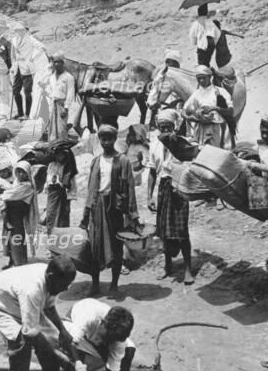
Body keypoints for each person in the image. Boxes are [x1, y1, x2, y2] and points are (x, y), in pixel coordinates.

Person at [0, 255, 77, 371]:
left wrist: (62, 331)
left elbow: (49, 308)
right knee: (21, 342)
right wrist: (60, 357)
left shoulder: (52, 281)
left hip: (18, 303)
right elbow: (30, 333)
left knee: (53, 340)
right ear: (50, 276)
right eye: (64, 285)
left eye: (68, 285)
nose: (65, 289)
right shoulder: (32, 289)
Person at [80, 123, 142, 296]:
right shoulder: (96, 161)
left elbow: (129, 188)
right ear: (99, 140)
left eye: (109, 138)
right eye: (102, 138)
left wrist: (133, 215)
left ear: (115, 139)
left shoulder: (122, 161)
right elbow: (91, 188)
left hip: (114, 207)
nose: (105, 142)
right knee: (95, 246)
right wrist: (86, 214)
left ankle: (114, 284)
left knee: (116, 246)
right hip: (97, 207)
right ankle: (95, 284)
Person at [61, 299, 135, 371]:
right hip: (72, 326)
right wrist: (78, 365)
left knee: (129, 350)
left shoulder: (118, 339)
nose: (110, 342)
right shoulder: (86, 318)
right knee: (70, 345)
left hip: (92, 335)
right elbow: (72, 342)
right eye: (108, 338)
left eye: (112, 340)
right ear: (104, 324)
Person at [147, 109, 194, 284]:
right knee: (164, 230)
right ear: (158, 128)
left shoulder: (182, 143)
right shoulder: (154, 145)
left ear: (174, 127)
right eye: (162, 127)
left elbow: (190, 167)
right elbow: (152, 171)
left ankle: (188, 269)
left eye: (168, 127)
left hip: (180, 187)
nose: (165, 130)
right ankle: (168, 266)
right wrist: (149, 197)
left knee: (181, 230)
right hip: (164, 187)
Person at [0, 161, 40, 269]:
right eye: (18, 172)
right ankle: (11, 260)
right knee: (8, 238)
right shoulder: (16, 182)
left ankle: (19, 263)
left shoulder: (27, 186)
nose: (20, 175)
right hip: (10, 214)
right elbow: (9, 193)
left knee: (17, 238)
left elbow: (11, 195)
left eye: (23, 172)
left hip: (17, 215)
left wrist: (2, 196)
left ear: (28, 173)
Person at [183, 65, 233, 147]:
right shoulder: (196, 93)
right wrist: (189, 117)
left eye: (204, 78)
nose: (201, 80)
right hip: (199, 129)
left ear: (210, 77)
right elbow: (184, 110)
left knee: (213, 152)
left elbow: (230, 111)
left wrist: (214, 108)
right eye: (199, 78)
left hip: (215, 127)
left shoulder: (220, 91)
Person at [10, 27, 47, 120]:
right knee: (15, 90)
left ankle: (27, 114)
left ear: (26, 31)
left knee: (27, 91)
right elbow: (13, 55)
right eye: (17, 30)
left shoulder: (30, 39)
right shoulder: (14, 40)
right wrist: (13, 65)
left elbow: (42, 47)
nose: (19, 32)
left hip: (28, 70)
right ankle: (20, 112)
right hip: (18, 68)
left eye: (21, 30)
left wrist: (33, 57)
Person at [44, 139, 79, 234]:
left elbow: (72, 187)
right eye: (57, 154)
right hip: (53, 195)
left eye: (62, 154)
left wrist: (68, 195)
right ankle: (51, 236)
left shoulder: (68, 169)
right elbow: (48, 181)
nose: (59, 157)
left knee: (63, 216)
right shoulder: (52, 165)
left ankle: (62, 237)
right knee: (51, 214)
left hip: (64, 196)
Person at [46, 52, 76, 142]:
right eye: (55, 62)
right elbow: (50, 91)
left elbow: (70, 93)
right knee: (52, 128)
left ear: (63, 63)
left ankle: (62, 146)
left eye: (59, 62)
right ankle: (52, 145)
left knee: (61, 127)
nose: (56, 64)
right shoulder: (51, 78)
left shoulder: (68, 77)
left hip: (62, 104)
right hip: (53, 104)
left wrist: (66, 108)